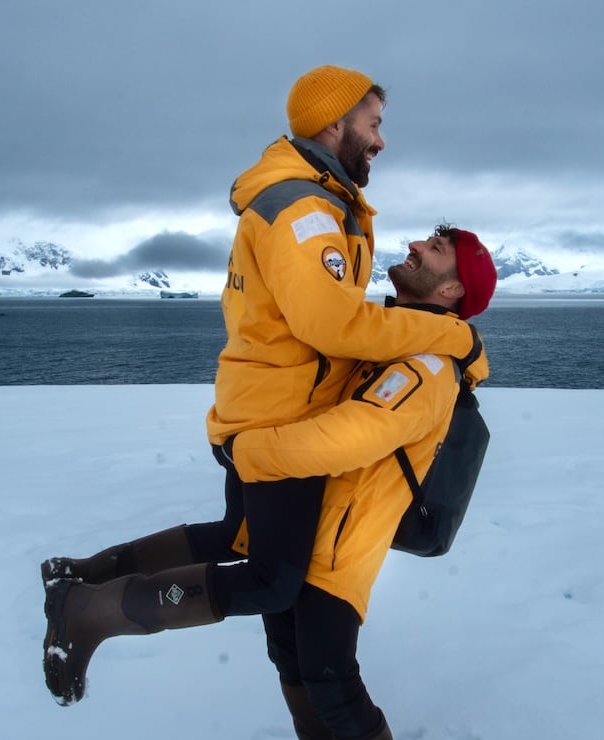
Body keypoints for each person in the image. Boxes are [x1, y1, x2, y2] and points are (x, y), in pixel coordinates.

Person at [41, 64, 479, 705]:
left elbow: (326, 314)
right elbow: (332, 324)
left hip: (268, 402)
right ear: (336, 122)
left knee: (233, 538)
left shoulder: (316, 196)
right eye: (374, 124)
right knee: (272, 580)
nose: (381, 141)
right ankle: (89, 611)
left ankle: (81, 576)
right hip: (282, 418)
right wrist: (453, 336)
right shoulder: (305, 208)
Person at [223, 224, 494, 740]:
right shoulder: (393, 335)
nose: (416, 247)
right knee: (287, 651)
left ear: (453, 288)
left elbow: (353, 436)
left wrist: (253, 454)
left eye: (434, 249)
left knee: (331, 677)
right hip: (302, 528)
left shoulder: (426, 364)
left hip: (342, 547)